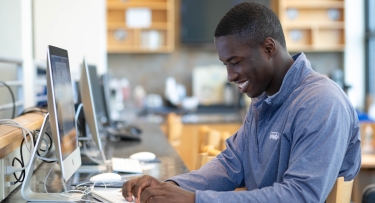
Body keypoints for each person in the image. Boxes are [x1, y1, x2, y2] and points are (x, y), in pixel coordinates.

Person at [122, 2, 361, 203]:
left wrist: (195, 199)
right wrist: (169, 186)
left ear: (269, 47)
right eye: (225, 64)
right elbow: (232, 163)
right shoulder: (263, 99)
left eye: (235, 62)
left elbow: (301, 195)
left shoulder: (322, 102)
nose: (230, 76)